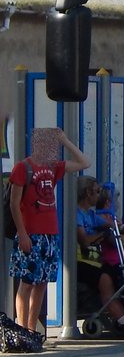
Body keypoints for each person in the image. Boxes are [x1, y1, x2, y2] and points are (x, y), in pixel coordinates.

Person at [8, 127, 91, 333]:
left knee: (42, 282)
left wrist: (65, 140)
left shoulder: (54, 167)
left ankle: (32, 328)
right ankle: (22, 328)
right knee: (26, 281)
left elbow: (84, 163)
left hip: (50, 233)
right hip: (30, 232)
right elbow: (14, 203)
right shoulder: (23, 167)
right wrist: (23, 233)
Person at [75, 176, 124, 331]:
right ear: (88, 193)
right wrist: (103, 234)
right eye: (97, 191)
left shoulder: (91, 214)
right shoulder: (76, 214)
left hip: (94, 260)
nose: (99, 195)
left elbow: (112, 226)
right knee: (104, 278)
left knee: (116, 271)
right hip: (79, 261)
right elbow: (85, 241)